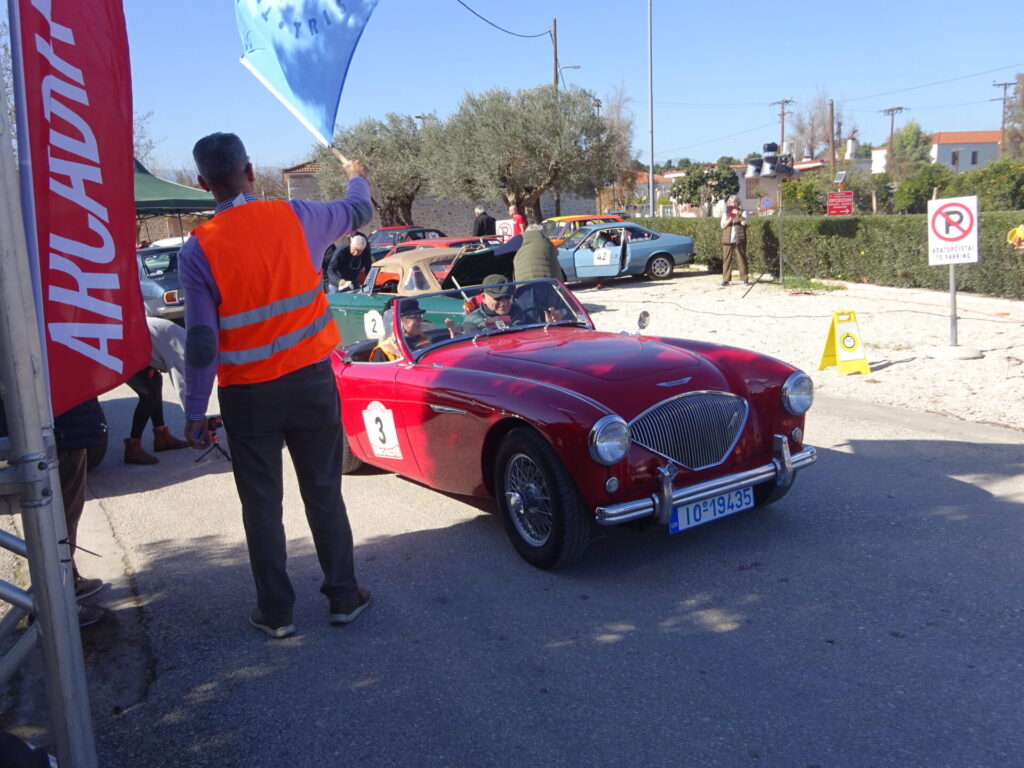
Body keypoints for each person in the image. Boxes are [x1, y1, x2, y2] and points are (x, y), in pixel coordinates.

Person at [178, 132, 373, 639]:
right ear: (250, 171)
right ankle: (343, 597)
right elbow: (360, 211)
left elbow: (201, 341)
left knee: (262, 506)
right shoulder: (297, 216)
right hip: (310, 382)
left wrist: (194, 411)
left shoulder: (198, 249)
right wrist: (355, 177)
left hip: (247, 396)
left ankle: (276, 611)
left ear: (203, 185)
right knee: (324, 491)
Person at [124, 318, 191, 464]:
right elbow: (182, 385)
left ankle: (162, 437)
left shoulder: (185, 337)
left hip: (137, 347)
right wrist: (195, 418)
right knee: (149, 393)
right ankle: (133, 446)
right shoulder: (181, 348)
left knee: (155, 381)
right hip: (122, 351)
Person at [720, 194, 749, 286]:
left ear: (738, 203)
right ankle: (726, 280)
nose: (733, 204)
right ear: (729, 203)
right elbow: (723, 225)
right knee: (727, 260)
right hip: (727, 239)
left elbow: (744, 222)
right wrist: (731, 218)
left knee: (742, 259)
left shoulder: (743, 212)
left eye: (735, 202)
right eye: (731, 202)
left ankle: (745, 279)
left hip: (739, 239)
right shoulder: (726, 213)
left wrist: (738, 214)